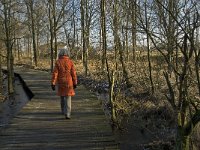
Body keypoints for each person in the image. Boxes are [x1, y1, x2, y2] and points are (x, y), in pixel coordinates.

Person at [51, 48, 77, 119]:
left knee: (62, 97)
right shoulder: (70, 62)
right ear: (67, 54)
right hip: (69, 82)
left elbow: (55, 73)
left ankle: (63, 111)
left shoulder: (58, 62)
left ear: (60, 54)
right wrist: (75, 82)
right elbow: (73, 73)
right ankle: (68, 113)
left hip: (61, 82)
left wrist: (53, 83)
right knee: (68, 97)